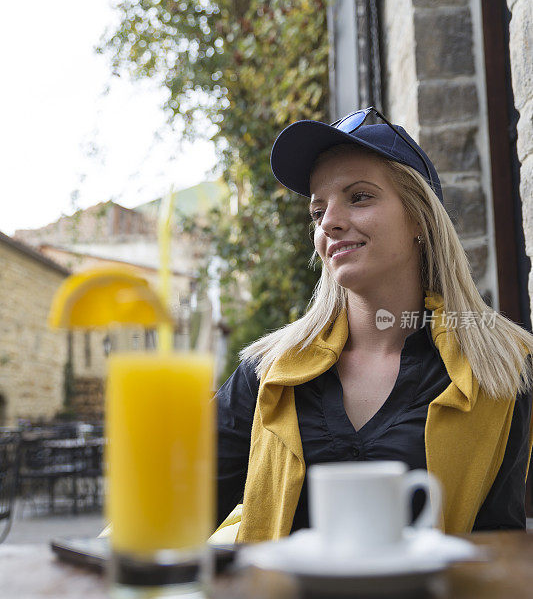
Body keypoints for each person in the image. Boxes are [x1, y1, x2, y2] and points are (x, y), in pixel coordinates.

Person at [215, 107, 533, 543]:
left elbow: (500, 546)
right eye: (317, 211)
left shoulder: (502, 367)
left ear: (420, 217)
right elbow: (169, 513)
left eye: (359, 197)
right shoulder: (268, 371)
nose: (330, 222)